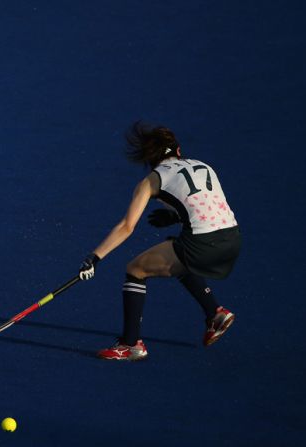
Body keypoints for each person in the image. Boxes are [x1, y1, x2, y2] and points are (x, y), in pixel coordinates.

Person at [77, 122, 240, 361]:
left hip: (203, 245)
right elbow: (208, 205)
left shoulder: (151, 180)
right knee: (175, 253)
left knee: (135, 269)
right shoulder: (204, 166)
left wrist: (95, 257)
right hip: (233, 238)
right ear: (178, 151)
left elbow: (126, 227)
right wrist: (174, 216)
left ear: (149, 160)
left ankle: (131, 345)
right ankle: (215, 313)